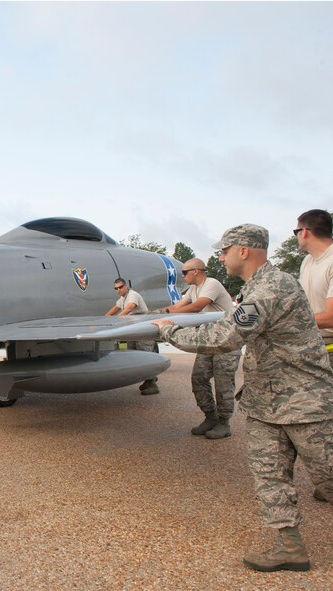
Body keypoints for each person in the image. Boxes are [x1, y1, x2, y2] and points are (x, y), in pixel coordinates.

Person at [152, 224, 333, 573]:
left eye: (224, 250)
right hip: (266, 404)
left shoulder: (272, 287)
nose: (221, 257)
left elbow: (226, 335)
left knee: (328, 477)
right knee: (270, 476)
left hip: (304, 403)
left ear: (244, 250)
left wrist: (169, 330)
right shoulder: (255, 288)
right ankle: (290, 547)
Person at [160, 258, 241, 439]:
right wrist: (157, 313)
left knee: (223, 383)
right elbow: (177, 307)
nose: (183, 276)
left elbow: (197, 307)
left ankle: (224, 423)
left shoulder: (211, 284)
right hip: (209, 339)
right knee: (198, 378)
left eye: (185, 272)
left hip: (227, 341)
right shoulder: (194, 289)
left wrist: (167, 315)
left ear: (196, 271)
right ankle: (210, 417)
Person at [105, 278, 159, 395]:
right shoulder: (122, 299)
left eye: (120, 287)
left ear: (126, 286)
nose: (118, 290)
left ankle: (152, 384)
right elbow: (115, 308)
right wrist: (105, 318)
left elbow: (129, 308)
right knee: (133, 353)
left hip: (142, 328)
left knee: (145, 354)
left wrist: (115, 321)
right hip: (133, 328)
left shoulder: (132, 295)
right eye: (116, 288)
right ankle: (148, 380)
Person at [296, 209, 333, 363]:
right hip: (313, 346)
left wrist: (288, 320)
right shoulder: (307, 262)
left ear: (304, 232)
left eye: (296, 231)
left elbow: (331, 317)